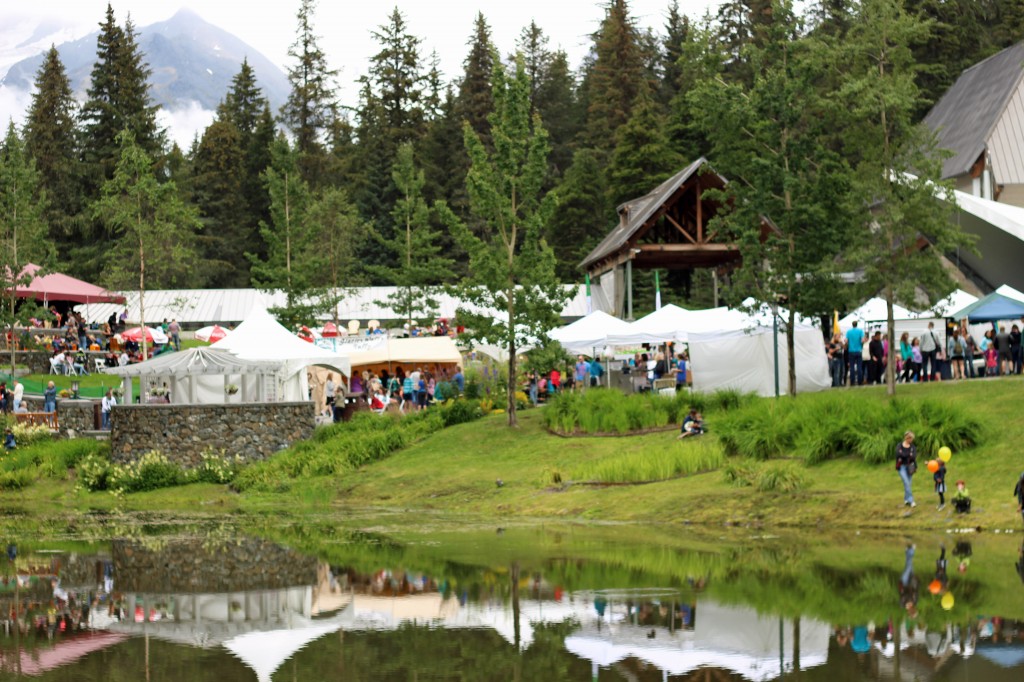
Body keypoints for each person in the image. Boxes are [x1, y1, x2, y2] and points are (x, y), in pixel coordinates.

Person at [896, 430, 917, 508]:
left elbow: (914, 456)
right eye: (909, 438)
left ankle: (906, 499)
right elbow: (898, 454)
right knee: (906, 481)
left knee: (908, 483)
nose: (910, 440)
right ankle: (911, 501)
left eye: (911, 439)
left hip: (910, 467)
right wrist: (908, 455)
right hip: (901, 467)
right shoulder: (899, 445)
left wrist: (904, 455)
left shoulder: (913, 447)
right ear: (906, 438)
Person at [845, 321, 866, 386]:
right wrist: (861, 345)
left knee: (851, 367)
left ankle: (852, 381)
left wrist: (848, 345)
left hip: (851, 351)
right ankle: (860, 381)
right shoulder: (860, 331)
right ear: (857, 324)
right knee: (859, 366)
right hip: (858, 350)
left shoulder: (848, 332)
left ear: (852, 325)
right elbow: (862, 340)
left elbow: (846, 340)